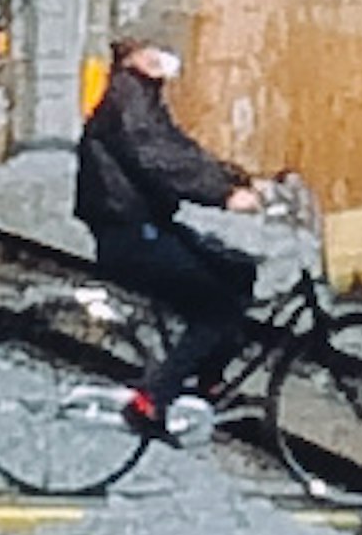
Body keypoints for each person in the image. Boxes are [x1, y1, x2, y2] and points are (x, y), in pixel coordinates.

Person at [73, 39, 272, 395]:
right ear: (135, 57)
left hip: (147, 225)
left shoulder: (142, 98)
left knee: (240, 272)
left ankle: (207, 380)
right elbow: (157, 158)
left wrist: (237, 178)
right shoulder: (127, 100)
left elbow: (181, 150)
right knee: (217, 308)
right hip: (129, 232)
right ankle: (153, 400)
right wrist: (225, 195)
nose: (166, 59)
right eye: (156, 50)